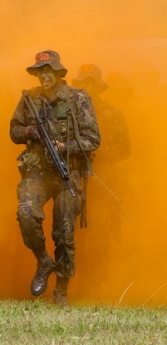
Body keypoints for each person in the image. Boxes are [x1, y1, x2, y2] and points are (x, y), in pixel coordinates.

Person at [10, 51, 100, 305]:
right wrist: (29, 130)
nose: (43, 76)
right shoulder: (29, 98)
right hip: (37, 171)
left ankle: (61, 288)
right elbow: (13, 131)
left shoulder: (78, 98)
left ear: (59, 73)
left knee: (64, 233)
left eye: (48, 71)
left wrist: (64, 146)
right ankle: (43, 260)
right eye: (39, 72)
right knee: (26, 214)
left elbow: (93, 139)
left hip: (66, 172)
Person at [72, 64, 131, 294]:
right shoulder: (70, 113)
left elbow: (125, 149)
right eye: (83, 83)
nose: (86, 87)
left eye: (90, 83)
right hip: (75, 182)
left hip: (102, 184)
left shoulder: (112, 114)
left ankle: (92, 288)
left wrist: (97, 151)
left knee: (98, 239)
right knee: (69, 235)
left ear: (98, 87)